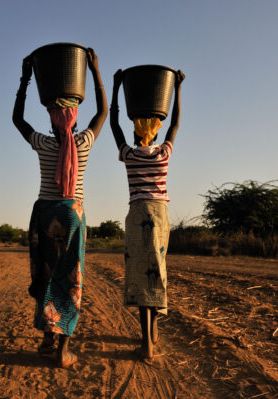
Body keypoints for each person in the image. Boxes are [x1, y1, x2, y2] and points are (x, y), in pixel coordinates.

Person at [13, 48, 107, 368]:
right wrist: (94, 70)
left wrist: (25, 80)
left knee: (45, 274)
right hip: (71, 213)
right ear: (74, 118)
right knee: (71, 278)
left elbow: (17, 119)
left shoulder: (43, 143)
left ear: (51, 119)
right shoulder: (82, 143)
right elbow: (103, 113)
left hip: (44, 213)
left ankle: (46, 339)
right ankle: (62, 349)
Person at [110, 68, 184, 359]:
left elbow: (114, 123)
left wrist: (116, 88)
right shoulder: (164, 153)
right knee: (157, 272)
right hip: (160, 214)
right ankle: (153, 333)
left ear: (134, 132)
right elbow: (175, 123)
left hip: (137, 214)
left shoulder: (128, 155)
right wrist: (178, 88)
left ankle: (147, 344)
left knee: (142, 275)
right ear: (155, 130)